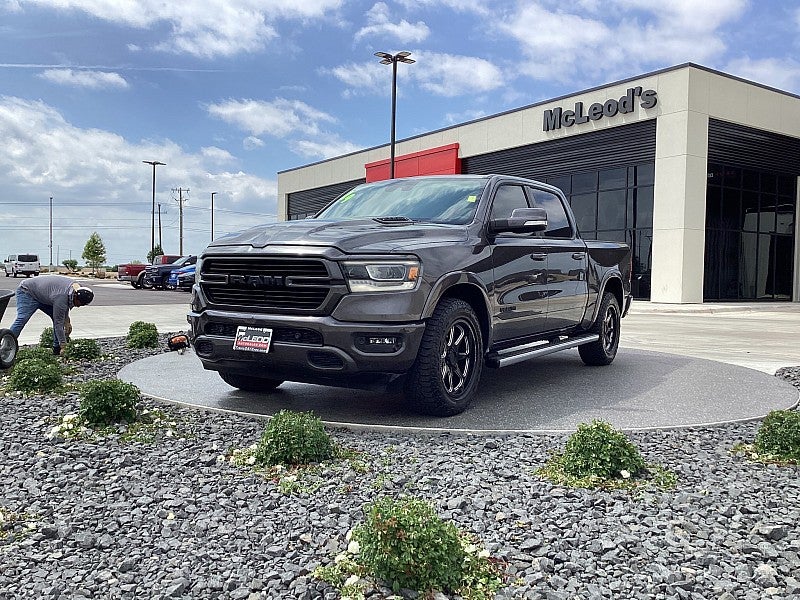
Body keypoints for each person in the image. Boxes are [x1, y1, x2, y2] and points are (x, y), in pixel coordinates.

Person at [9, 275, 94, 355]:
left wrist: (67, 321)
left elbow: (66, 307)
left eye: (83, 305)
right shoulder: (61, 297)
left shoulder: (78, 288)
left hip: (46, 296)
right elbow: (59, 323)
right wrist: (64, 346)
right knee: (22, 319)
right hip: (28, 292)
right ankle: (7, 343)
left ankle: (56, 348)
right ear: (75, 296)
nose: (79, 306)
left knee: (57, 318)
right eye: (79, 303)